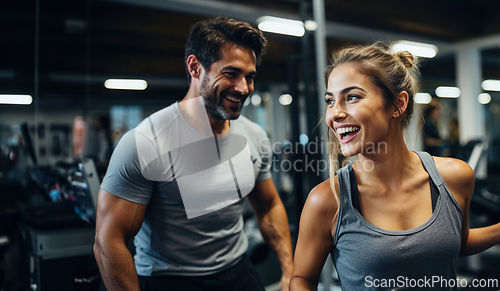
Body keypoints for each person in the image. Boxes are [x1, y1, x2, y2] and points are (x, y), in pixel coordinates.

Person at [94, 16, 293, 291]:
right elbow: (109, 239)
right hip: (170, 280)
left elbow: (269, 206)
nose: (244, 88)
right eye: (231, 73)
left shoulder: (254, 137)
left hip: (238, 271)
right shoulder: (145, 142)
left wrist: (289, 271)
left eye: (250, 77)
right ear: (195, 67)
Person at [290, 43, 500, 290]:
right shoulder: (327, 200)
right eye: (330, 101)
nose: (334, 114)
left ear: (398, 104)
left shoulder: (455, 177)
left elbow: (458, 241)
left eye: (352, 97)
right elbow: (302, 279)